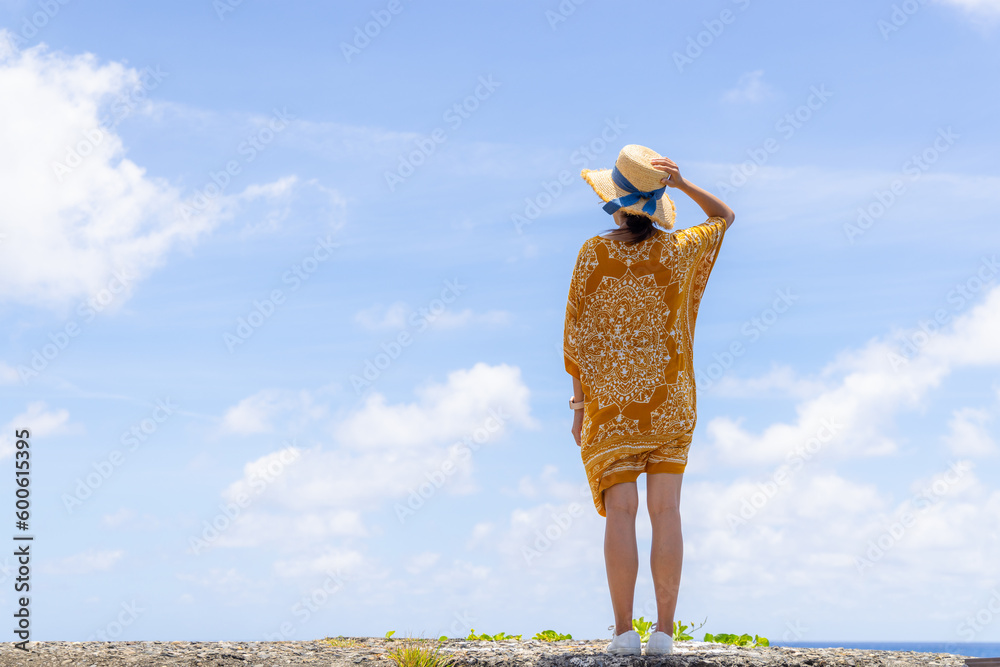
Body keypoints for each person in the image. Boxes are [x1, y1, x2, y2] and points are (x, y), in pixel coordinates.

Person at [563, 144, 734, 657]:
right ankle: (663, 634)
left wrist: (578, 406)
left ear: (616, 198)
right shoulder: (679, 249)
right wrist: (682, 183)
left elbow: (578, 333)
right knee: (668, 511)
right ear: (657, 202)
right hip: (671, 399)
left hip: (611, 406)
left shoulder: (594, 251)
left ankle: (622, 634)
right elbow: (724, 216)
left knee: (622, 511)